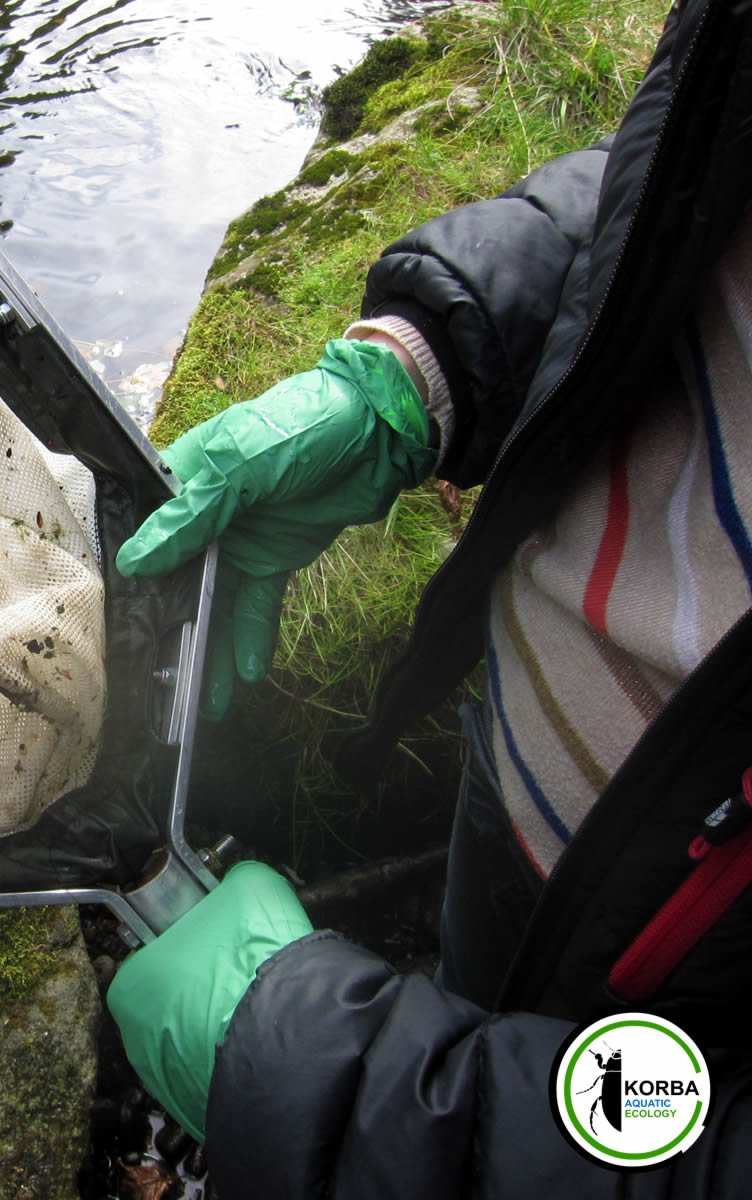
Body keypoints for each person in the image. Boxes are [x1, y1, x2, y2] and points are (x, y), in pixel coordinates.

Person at [104, 0, 752, 1191]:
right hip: (518, 790)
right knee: (479, 975)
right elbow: (691, 189)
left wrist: (347, 1098)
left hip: (696, 1009)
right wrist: (430, 365)